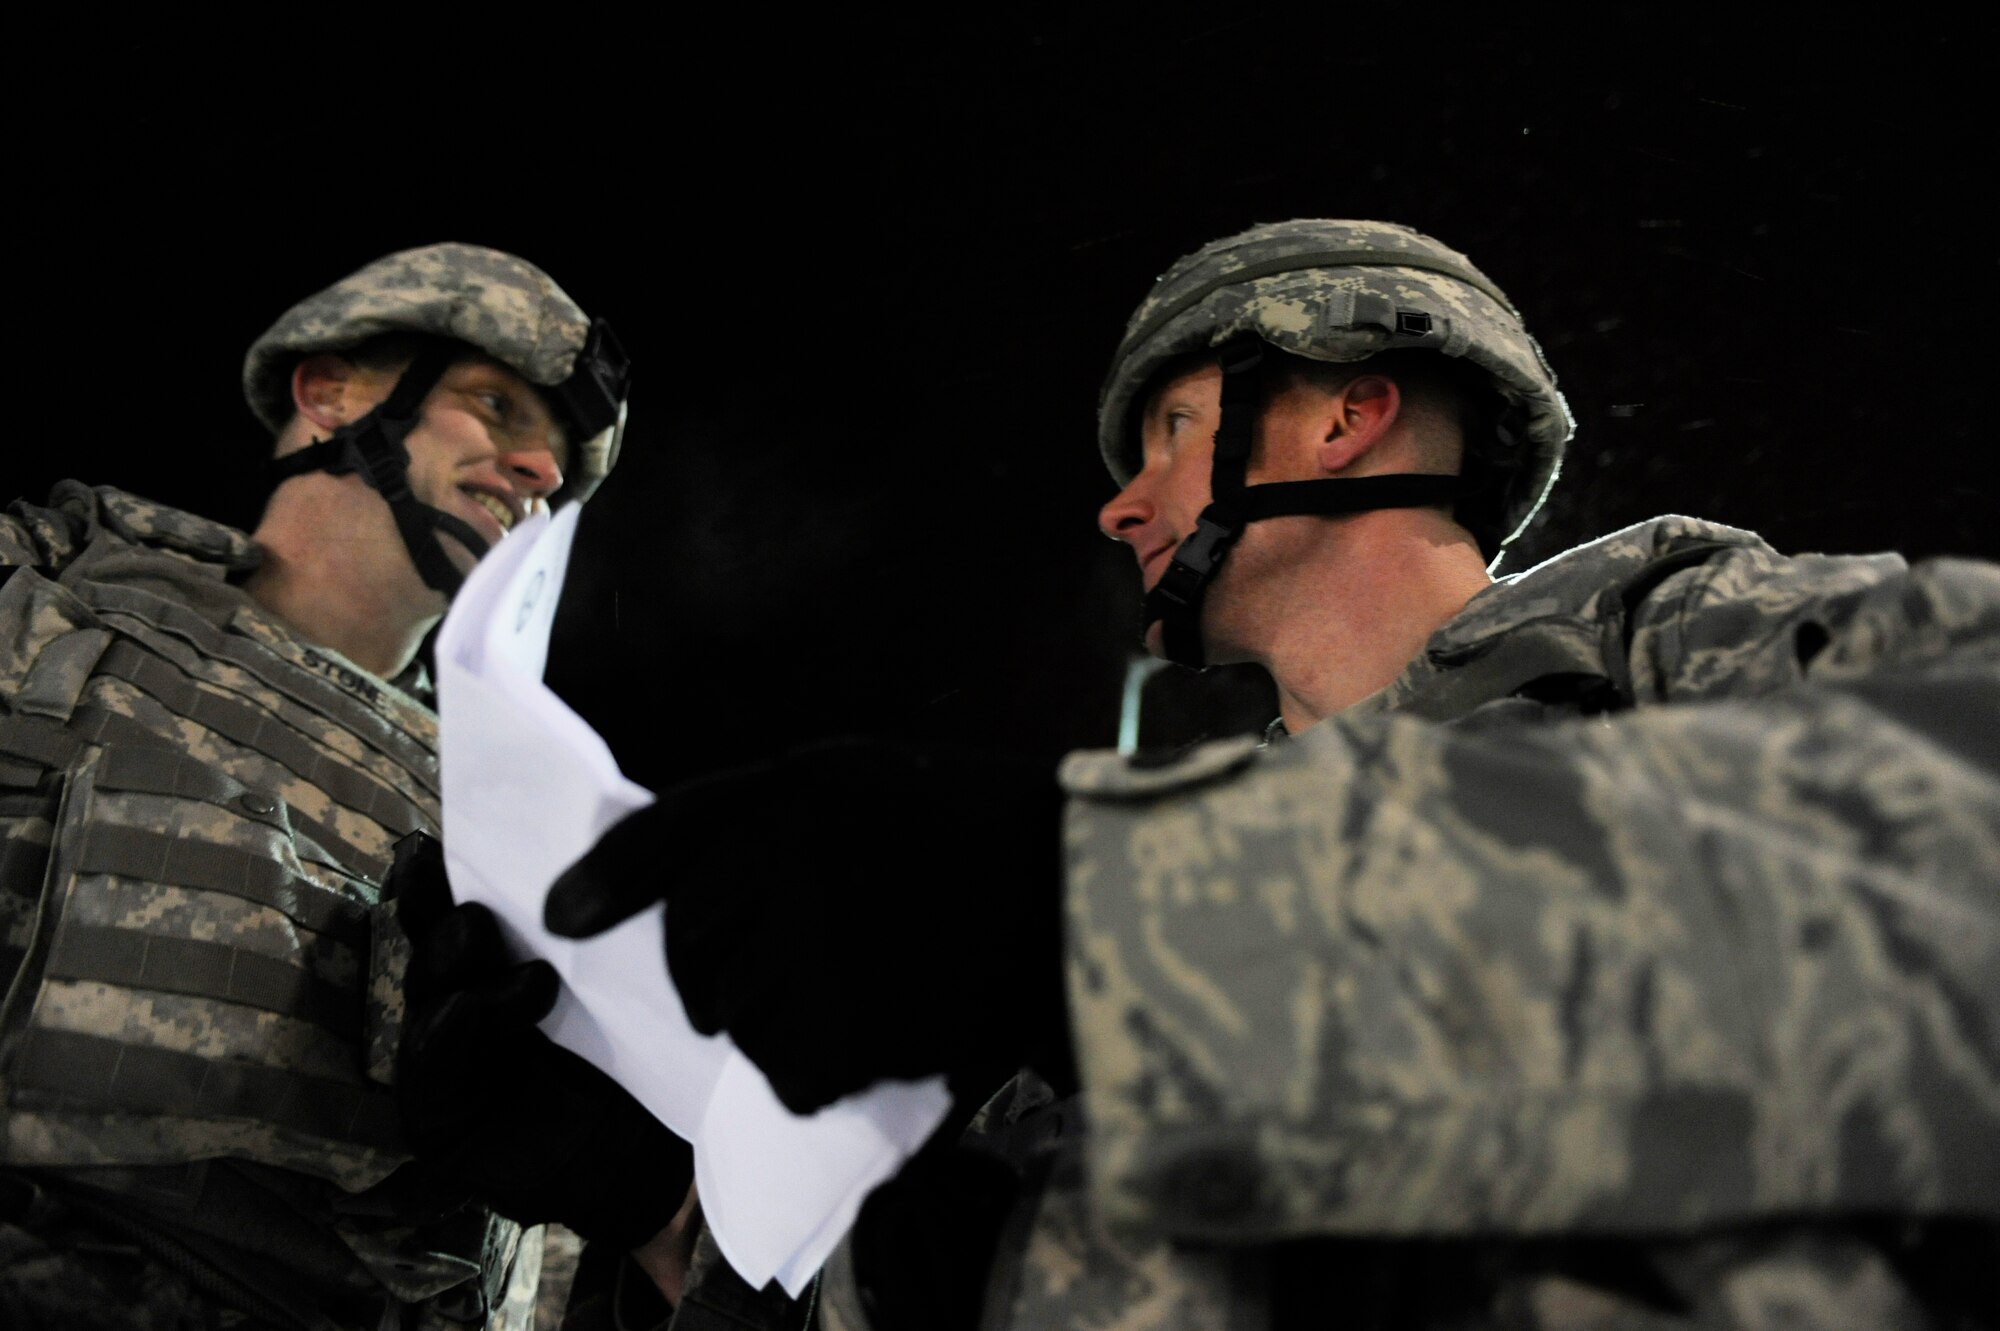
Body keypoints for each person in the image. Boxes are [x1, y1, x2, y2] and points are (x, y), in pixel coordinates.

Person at [543, 219, 1999, 1330]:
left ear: (1342, 416)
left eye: (1171, 430)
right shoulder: (1109, 913)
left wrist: (1135, 899)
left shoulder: (1650, 632)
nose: (1121, 505)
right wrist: (677, 1218)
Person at [0, 242, 692, 1329]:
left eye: (560, 454)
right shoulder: (42, 603)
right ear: (327, 395)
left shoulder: (539, 831)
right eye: (496, 406)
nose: (544, 471)